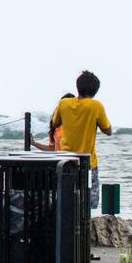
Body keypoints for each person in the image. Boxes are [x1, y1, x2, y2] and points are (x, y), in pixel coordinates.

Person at [50, 70, 113, 210]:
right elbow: (108, 130)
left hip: (65, 160)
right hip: (88, 163)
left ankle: (67, 226)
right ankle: (84, 227)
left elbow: (55, 123)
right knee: (90, 200)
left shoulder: (64, 103)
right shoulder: (96, 106)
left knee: (66, 197)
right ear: (95, 90)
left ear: (78, 86)